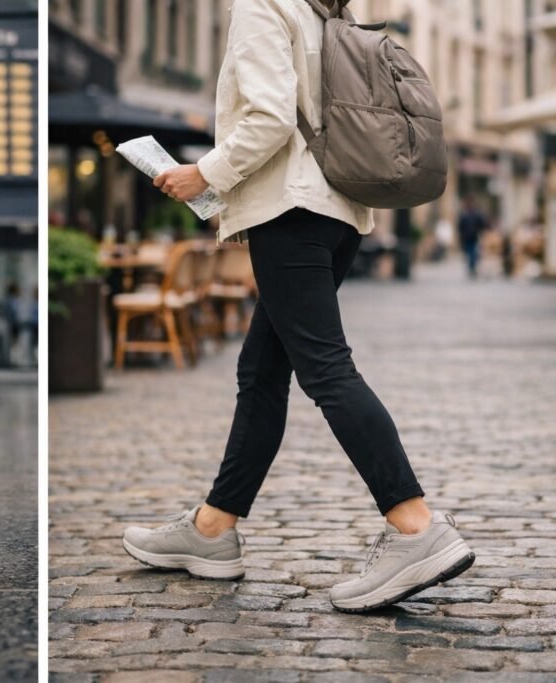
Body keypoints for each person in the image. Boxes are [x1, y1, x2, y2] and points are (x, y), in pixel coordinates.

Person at [119, 0, 474, 613]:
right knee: (260, 373)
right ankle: (213, 528)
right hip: (338, 212)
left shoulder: (262, 5)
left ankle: (415, 526)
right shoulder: (326, 9)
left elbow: (270, 118)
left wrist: (203, 173)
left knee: (326, 369)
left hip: (291, 212)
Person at [458, 196, 489, 278]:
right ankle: (472, 268)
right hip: (467, 237)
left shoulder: (475, 214)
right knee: (470, 253)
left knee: (473, 253)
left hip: (474, 236)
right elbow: (460, 227)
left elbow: (482, 223)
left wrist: (482, 230)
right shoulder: (464, 214)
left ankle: (472, 268)